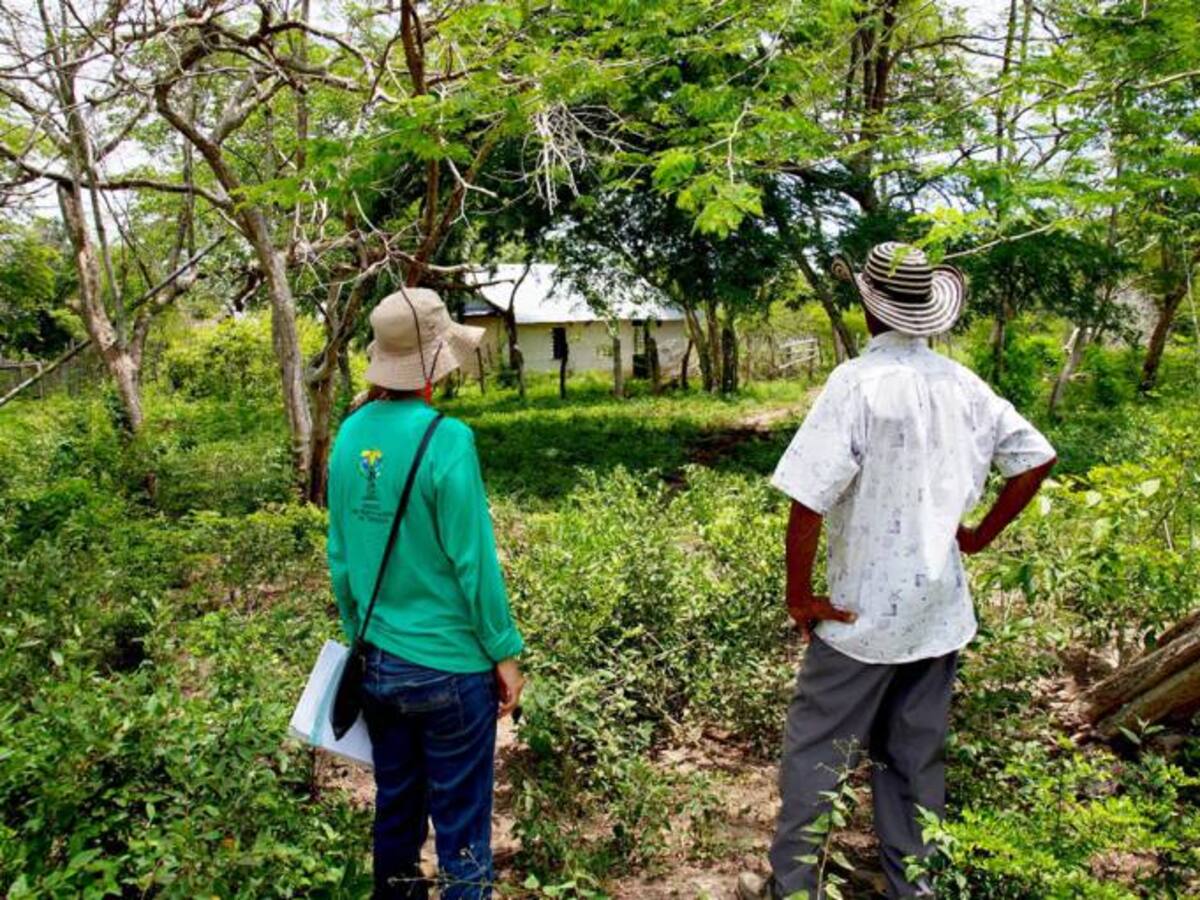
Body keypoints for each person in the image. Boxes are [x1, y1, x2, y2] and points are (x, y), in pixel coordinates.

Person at [738, 243, 1057, 899]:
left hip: (860, 617)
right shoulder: (964, 385)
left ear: (867, 306)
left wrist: (801, 596)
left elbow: (808, 501)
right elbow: (1035, 458)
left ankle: (794, 887)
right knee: (914, 759)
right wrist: (980, 535)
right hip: (937, 612)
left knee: (817, 753)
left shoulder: (856, 383)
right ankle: (916, 885)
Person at [327, 287, 526, 900]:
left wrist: (361, 630)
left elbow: (340, 560)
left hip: (379, 665)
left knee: (397, 812)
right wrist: (505, 653)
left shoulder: (348, 435)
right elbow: (474, 563)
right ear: (435, 364)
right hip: (451, 672)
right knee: (462, 828)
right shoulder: (447, 440)